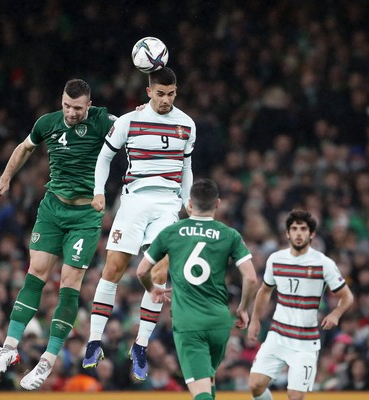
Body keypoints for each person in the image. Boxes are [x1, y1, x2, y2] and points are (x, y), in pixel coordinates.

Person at [0, 79, 117, 390]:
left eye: (78, 108)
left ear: (89, 105)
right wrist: (4, 180)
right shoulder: (48, 122)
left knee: (69, 284)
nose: (71, 113)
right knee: (36, 273)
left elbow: (131, 127)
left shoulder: (103, 121)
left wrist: (143, 111)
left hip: (85, 215)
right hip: (52, 208)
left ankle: (47, 361)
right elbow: (24, 148)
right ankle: (9, 349)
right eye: (67, 106)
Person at [83, 66, 196, 381]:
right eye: (160, 94)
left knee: (159, 272)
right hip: (134, 199)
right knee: (114, 269)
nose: (165, 100)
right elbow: (104, 157)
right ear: (149, 92)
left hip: (168, 204)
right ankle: (94, 340)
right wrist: (98, 192)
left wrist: (189, 205)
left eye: (171, 94)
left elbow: (186, 167)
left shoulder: (187, 124)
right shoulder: (128, 121)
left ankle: (141, 345)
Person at [135, 179, 258, 400]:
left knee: (200, 394)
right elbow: (250, 278)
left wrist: (152, 289)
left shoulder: (171, 232)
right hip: (220, 322)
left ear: (189, 204)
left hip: (189, 323)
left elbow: (141, 271)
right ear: (217, 203)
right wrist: (243, 308)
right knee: (207, 379)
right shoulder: (230, 235)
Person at [247, 209, 354, 400]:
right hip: (278, 335)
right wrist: (255, 320)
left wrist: (336, 314)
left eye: (303, 229)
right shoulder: (275, 259)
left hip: (305, 342)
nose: (298, 233)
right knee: (255, 385)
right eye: (294, 229)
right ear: (287, 233)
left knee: (295, 396)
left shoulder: (323, 263)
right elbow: (264, 290)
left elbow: (347, 297)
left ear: (311, 234)